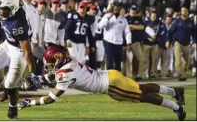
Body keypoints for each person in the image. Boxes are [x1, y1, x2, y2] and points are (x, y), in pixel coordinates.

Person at [18, 45, 186, 121]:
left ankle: (177, 107)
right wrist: (41, 79)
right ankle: (174, 92)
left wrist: (29, 103)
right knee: (140, 88)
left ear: (57, 57)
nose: (49, 66)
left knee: (143, 96)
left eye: (50, 62)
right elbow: (56, 75)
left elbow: (51, 98)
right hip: (110, 75)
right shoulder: (71, 61)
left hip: (111, 86)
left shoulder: (64, 73)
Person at [0, 0, 35, 119]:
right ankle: (6, 87)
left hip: (19, 50)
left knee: (11, 85)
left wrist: (32, 74)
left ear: (13, 8)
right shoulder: (10, 10)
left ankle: (13, 106)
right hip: (7, 44)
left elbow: (27, 51)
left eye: (4, 9)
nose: (1, 12)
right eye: (0, 8)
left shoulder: (19, 24)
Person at [98, 2, 131, 72]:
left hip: (119, 42)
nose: (116, 10)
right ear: (112, 9)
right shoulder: (107, 16)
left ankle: (117, 79)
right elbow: (100, 26)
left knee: (118, 62)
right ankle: (109, 79)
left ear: (120, 9)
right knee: (109, 62)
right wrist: (107, 18)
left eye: (118, 9)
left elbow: (127, 31)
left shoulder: (123, 19)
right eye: (115, 9)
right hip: (108, 41)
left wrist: (128, 42)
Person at [166, 6, 196, 81]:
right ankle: (181, 75)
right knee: (178, 61)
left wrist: (195, 42)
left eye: (185, 11)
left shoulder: (190, 22)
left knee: (187, 61)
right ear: (181, 12)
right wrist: (168, 41)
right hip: (177, 42)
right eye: (183, 11)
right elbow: (170, 31)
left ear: (187, 12)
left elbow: (194, 34)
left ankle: (184, 73)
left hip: (187, 43)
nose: (184, 12)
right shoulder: (176, 21)